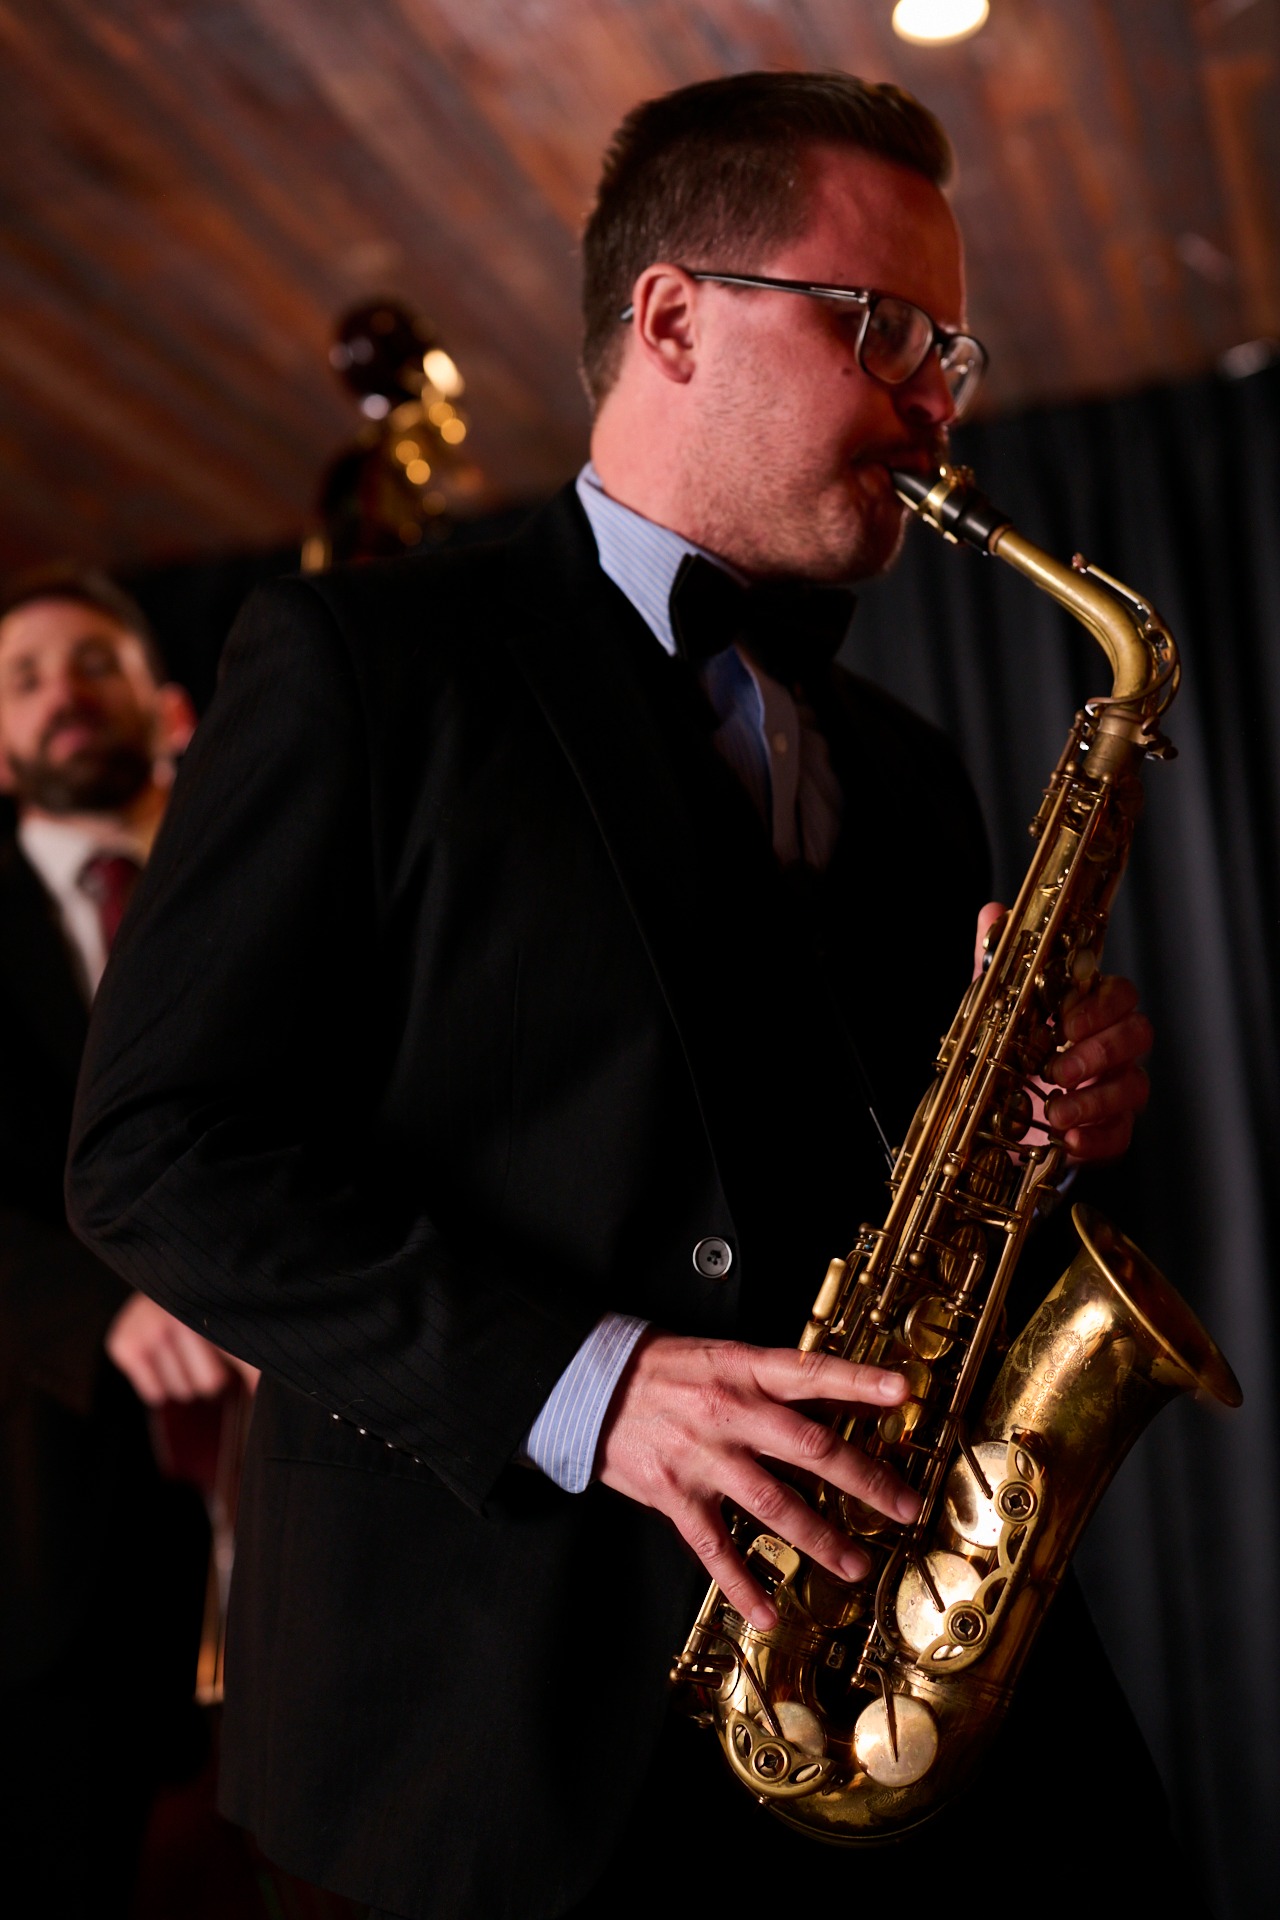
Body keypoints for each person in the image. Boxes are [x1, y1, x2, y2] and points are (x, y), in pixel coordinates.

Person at [67, 72, 1187, 1920]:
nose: (935, 396)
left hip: (872, 1689)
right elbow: (155, 1154)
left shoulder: (909, 765)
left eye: (950, 350)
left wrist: (1050, 1127)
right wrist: (594, 1388)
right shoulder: (364, 662)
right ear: (671, 318)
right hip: (485, 1749)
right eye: (883, 327)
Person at [0, 566, 248, 1915]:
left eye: (93, 662)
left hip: (310, 1462)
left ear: (173, 711)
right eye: (25, 679)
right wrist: (101, 1305)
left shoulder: (273, 889)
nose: (63, 694)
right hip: (58, 1524)